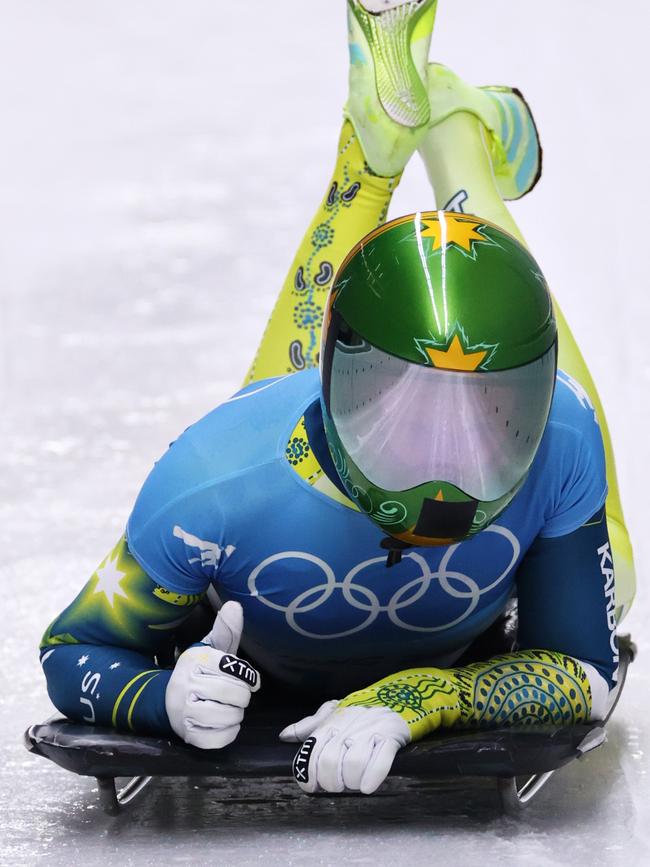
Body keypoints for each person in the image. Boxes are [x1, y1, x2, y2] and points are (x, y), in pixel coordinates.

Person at [39, 0, 635, 796]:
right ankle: (457, 149)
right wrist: (161, 698)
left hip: (278, 476)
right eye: (399, 416)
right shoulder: (211, 483)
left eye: (492, 419)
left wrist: (424, 697)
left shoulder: (220, 482)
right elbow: (71, 652)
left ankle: (384, 152)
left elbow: (588, 673)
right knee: (613, 568)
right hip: (285, 471)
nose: (439, 482)